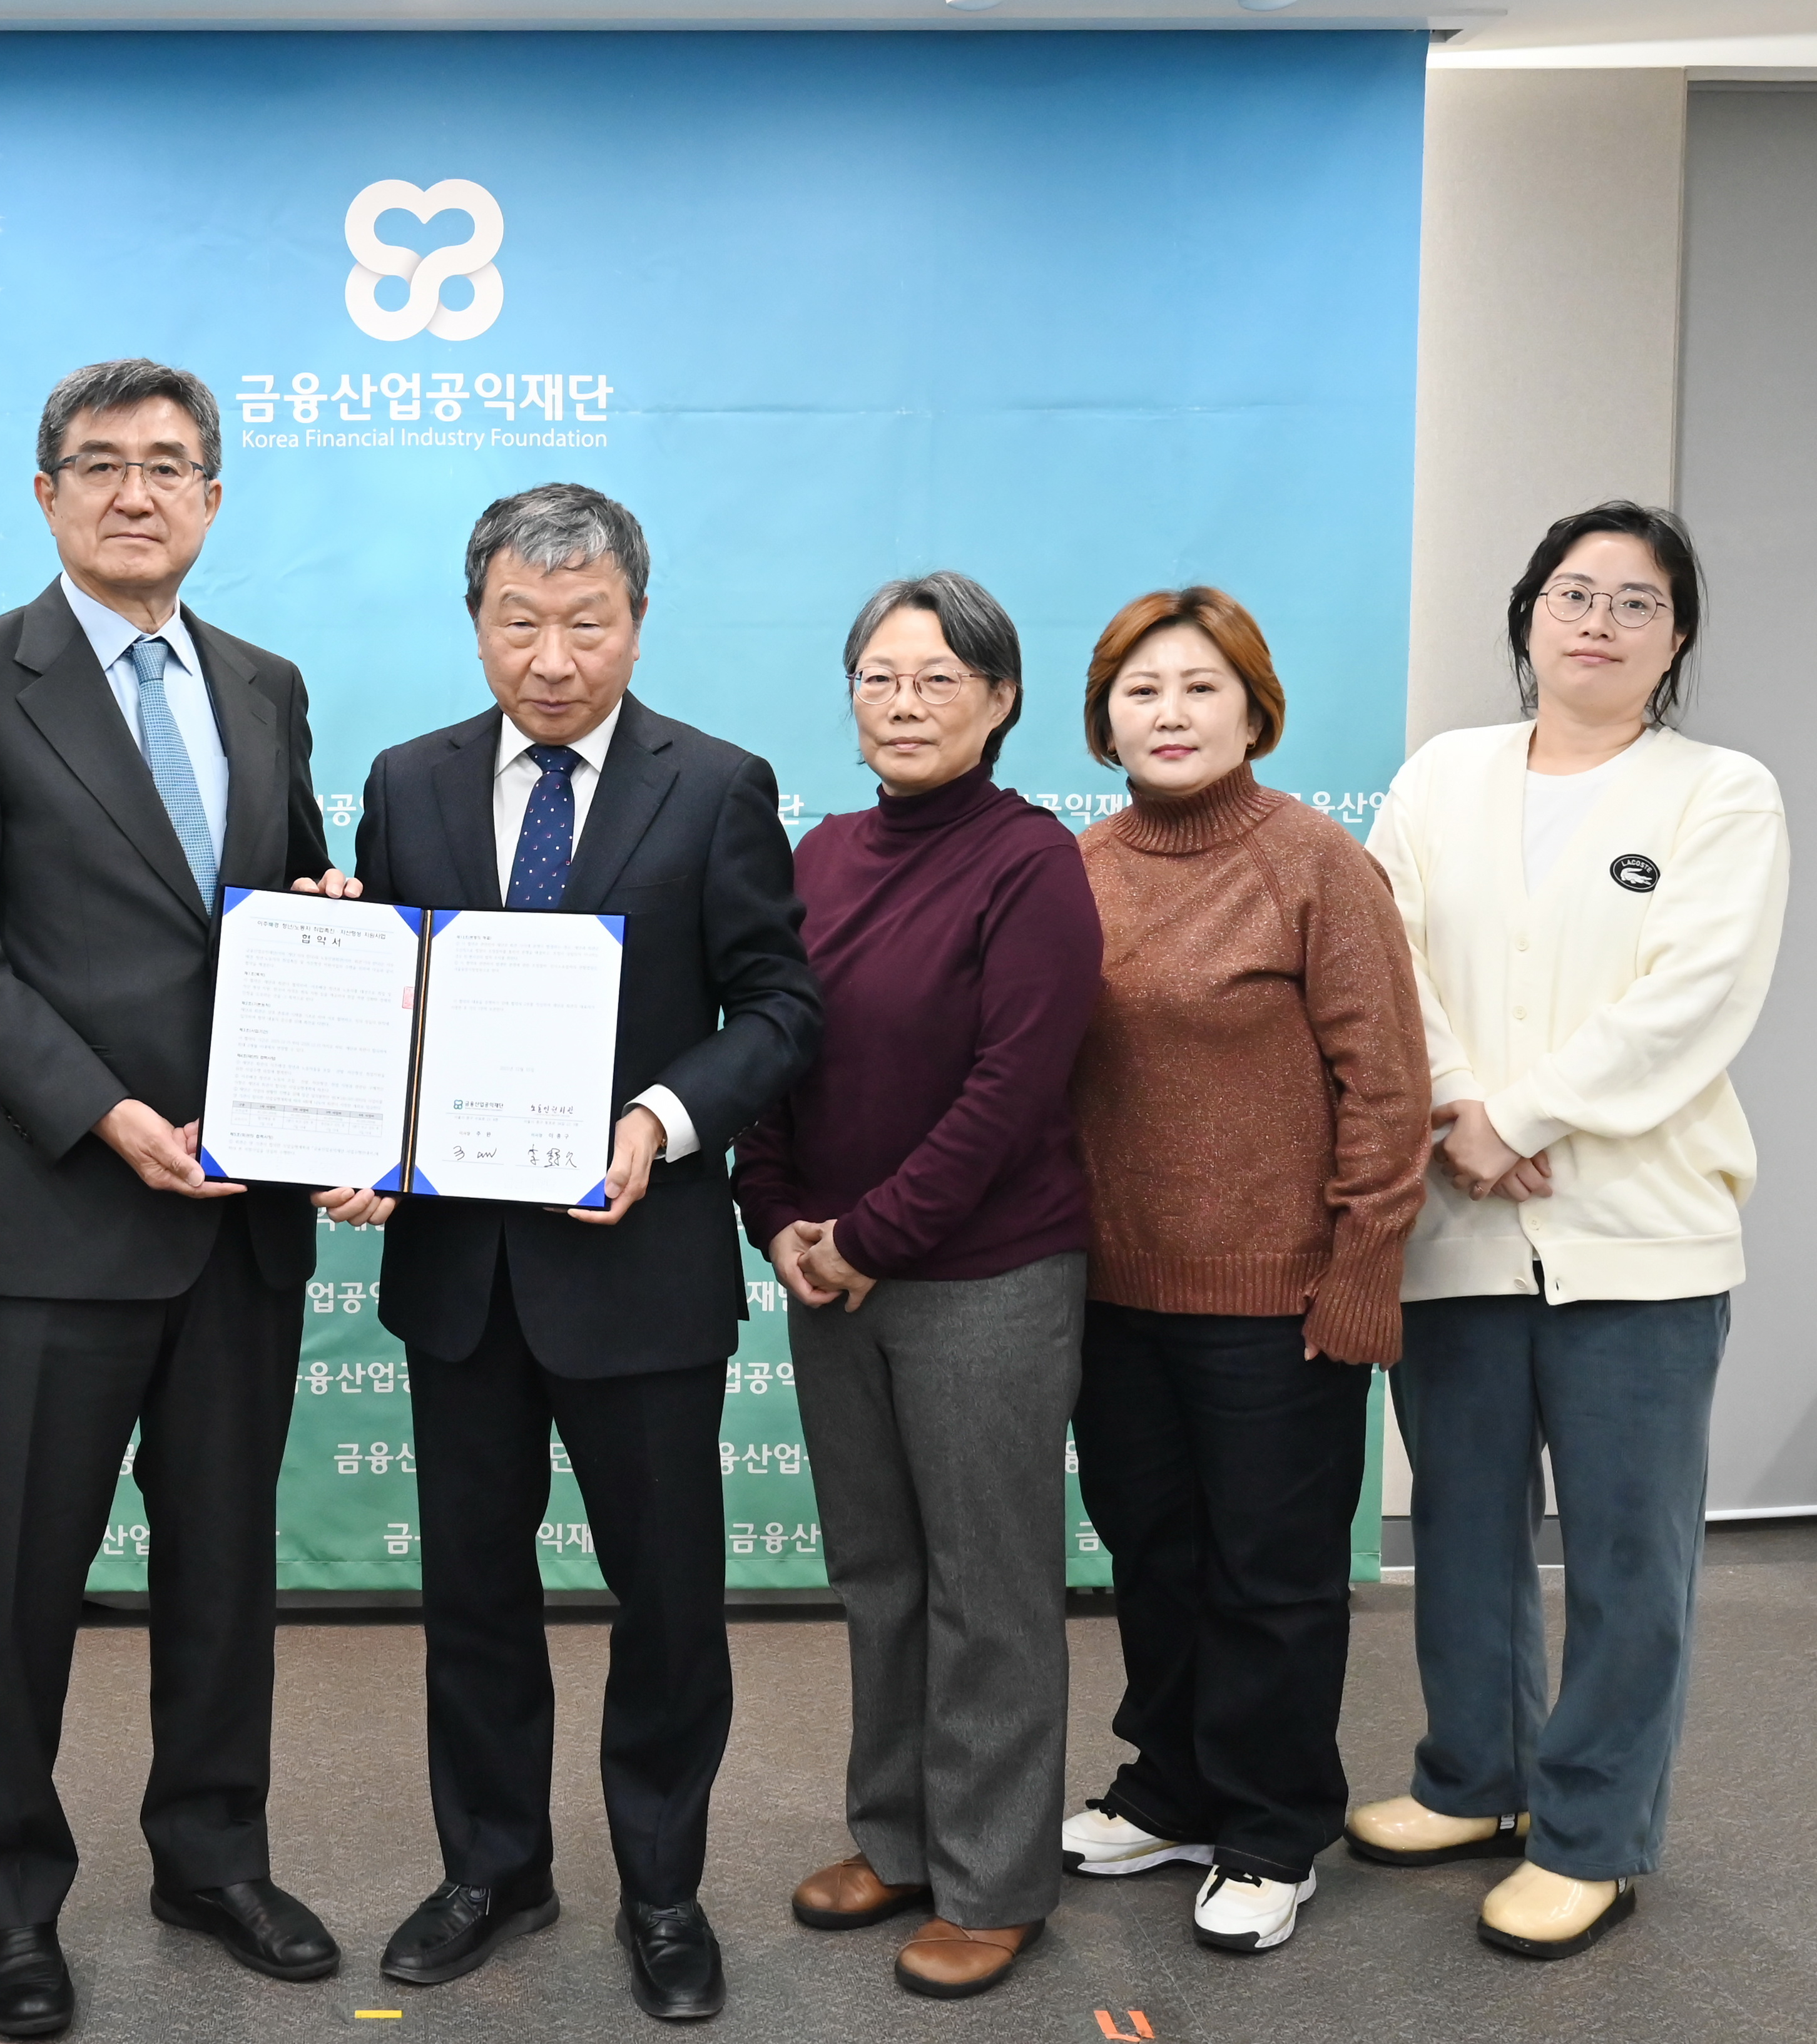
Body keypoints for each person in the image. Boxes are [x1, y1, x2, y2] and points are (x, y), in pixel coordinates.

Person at [0, 359, 349, 2040]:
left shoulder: (267, 685)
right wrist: (102, 1112)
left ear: (212, 497)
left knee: (223, 1571)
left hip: (236, 1219)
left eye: (167, 465)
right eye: (99, 464)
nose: (134, 491)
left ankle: (211, 1856)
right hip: (42, 1219)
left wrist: (334, 936)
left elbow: (284, 906)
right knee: (16, 1585)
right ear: (46, 494)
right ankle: (9, 1896)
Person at [331, 484, 822, 2023]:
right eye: (520, 622)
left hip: (639, 1264)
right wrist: (361, 1124)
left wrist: (660, 1121)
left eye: (587, 623)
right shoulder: (406, 781)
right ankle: (494, 1868)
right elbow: (387, 999)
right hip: (461, 1277)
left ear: (638, 623)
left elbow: (781, 1008)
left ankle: (663, 1889)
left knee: (667, 1599)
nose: (553, 658)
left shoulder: (717, 785)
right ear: (477, 622)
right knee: (473, 1596)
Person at [1349, 503, 1785, 1960]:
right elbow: (1386, 959)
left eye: (1637, 601)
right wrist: (1460, 1108)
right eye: (1574, 593)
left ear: (1677, 637)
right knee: (1463, 1529)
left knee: (1625, 1554)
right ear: (1529, 614)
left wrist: (1522, 1116)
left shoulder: (1721, 795)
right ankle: (1475, 1778)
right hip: (1458, 1221)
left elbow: (1695, 998)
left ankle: (1592, 1833)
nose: (1599, 620)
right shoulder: (1442, 777)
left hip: (1639, 1238)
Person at [731, 571, 1102, 2001]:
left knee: (988, 1586)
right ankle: (896, 1837)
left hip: (982, 1277)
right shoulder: (821, 854)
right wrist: (777, 1214)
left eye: (939, 678)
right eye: (879, 678)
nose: (904, 703)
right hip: (832, 1272)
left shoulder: (1032, 862)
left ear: (1000, 700)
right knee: (880, 1573)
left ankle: (996, 1880)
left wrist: (870, 1235)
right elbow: (773, 1043)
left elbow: (1012, 1089)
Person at [1057, 587, 1428, 1956]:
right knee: (1153, 1556)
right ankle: (1173, 1787)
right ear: (1104, 719)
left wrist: (1362, 1267)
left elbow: (1387, 1085)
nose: (1170, 713)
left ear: (1254, 709)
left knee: (1273, 1574)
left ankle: (1273, 1826)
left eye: (1200, 687)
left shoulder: (1313, 860)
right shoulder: (1078, 869)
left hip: (1279, 1300)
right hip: (1112, 1293)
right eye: (1142, 689)